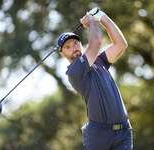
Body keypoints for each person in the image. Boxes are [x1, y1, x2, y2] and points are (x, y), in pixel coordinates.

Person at [57, 7, 133, 150]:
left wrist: (102, 17)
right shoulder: (74, 71)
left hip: (124, 132)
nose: (74, 48)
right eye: (67, 47)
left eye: (75, 43)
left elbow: (121, 44)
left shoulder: (99, 61)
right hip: (99, 135)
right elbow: (96, 41)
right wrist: (92, 22)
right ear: (62, 54)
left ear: (80, 43)